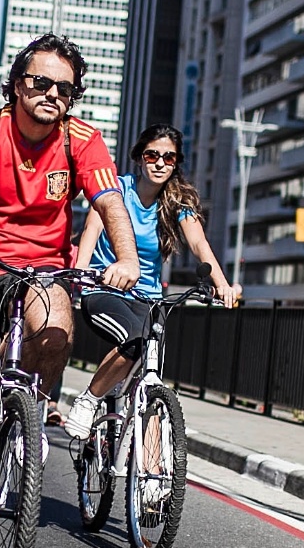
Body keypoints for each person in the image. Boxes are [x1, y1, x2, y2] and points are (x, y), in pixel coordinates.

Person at [0, 33, 141, 548]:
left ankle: (32, 409)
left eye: (66, 88)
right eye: (40, 82)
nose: (53, 94)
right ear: (17, 85)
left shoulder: (80, 140)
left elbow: (109, 204)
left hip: (43, 268)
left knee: (58, 329)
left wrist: (126, 258)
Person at [62, 124, 240, 441]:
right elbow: (90, 231)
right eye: (152, 155)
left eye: (168, 158)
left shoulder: (176, 202)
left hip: (149, 300)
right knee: (134, 340)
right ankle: (89, 400)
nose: (159, 163)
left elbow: (200, 246)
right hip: (105, 291)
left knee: (151, 379)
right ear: (140, 158)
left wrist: (222, 284)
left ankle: (154, 474)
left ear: (175, 164)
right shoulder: (117, 190)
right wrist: (80, 272)